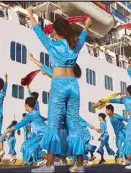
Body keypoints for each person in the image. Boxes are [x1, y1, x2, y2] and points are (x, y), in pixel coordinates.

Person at [26, 6, 92, 173]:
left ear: (55, 31)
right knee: (74, 125)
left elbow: (38, 31)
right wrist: (86, 26)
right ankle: (79, 164)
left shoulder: (52, 45)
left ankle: (49, 165)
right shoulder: (74, 45)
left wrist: (30, 14)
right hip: (74, 86)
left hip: (59, 85)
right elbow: (84, 35)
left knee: (54, 125)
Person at [0, 97, 47, 167]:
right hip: (43, 134)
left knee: (27, 147)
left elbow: (19, 124)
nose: (24, 106)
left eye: (24, 105)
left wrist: (6, 131)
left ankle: (51, 159)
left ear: (27, 105)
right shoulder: (36, 113)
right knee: (27, 146)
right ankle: (42, 159)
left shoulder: (30, 115)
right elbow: (42, 118)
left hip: (41, 134)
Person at [108, 85, 131, 165]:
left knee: (128, 138)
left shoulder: (125, 99)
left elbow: (116, 101)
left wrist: (107, 100)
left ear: (127, 91)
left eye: (126, 91)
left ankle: (130, 159)